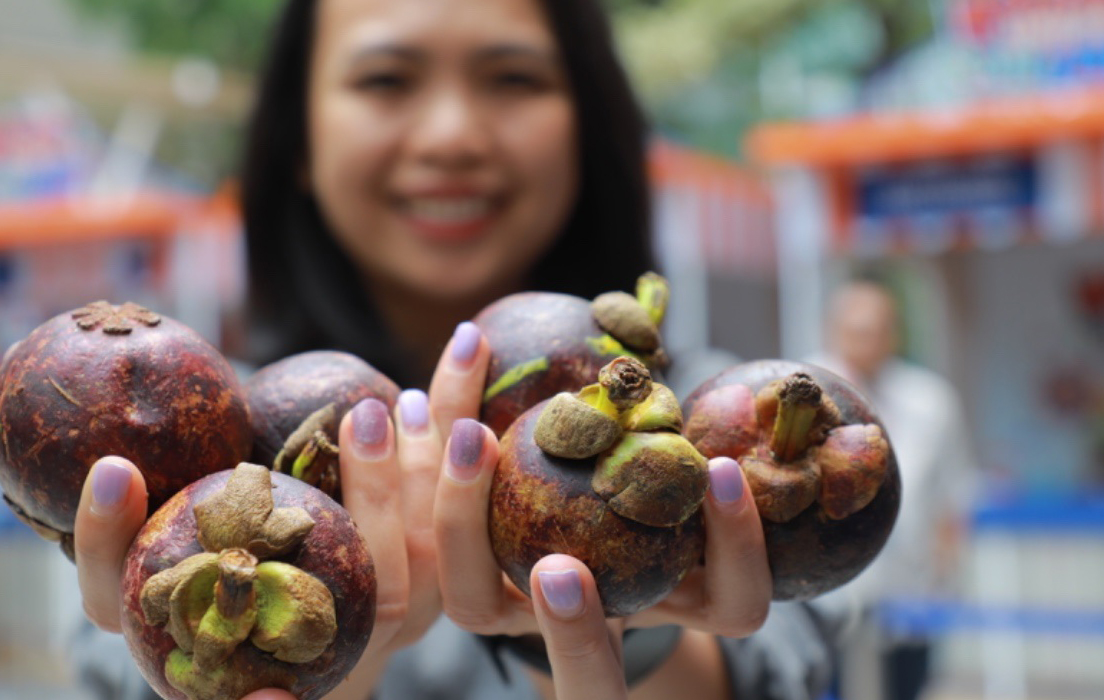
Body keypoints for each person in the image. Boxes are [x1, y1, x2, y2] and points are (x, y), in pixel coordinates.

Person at [67, 0, 853, 698]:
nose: (452, 136)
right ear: (297, 137)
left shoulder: (718, 433)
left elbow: (783, 654)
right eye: (385, 79)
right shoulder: (177, 456)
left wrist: (630, 626)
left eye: (512, 78)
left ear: (588, 122)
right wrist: (315, 664)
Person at [809, 279, 979, 700]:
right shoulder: (802, 390)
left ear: (894, 333)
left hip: (910, 589)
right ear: (834, 331)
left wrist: (946, 574)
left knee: (907, 687)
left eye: (876, 330)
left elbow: (952, 493)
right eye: (855, 330)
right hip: (829, 595)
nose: (865, 342)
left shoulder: (930, 400)